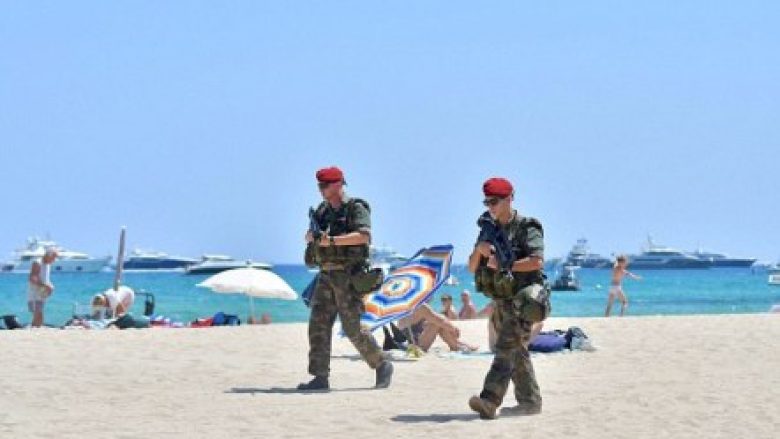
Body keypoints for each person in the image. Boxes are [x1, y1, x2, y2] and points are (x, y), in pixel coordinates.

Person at [298, 166, 393, 391]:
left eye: (325, 185)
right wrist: (311, 238)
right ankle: (320, 376)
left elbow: (363, 236)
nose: (321, 190)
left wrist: (330, 241)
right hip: (326, 275)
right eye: (319, 186)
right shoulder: (322, 211)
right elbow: (316, 239)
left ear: (339, 184)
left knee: (353, 328)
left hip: (349, 276)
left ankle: (381, 364)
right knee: (318, 325)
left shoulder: (355, 208)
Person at [467, 177, 546, 420]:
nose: (491, 206)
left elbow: (536, 261)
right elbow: (471, 268)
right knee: (516, 352)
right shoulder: (488, 229)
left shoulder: (527, 226)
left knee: (505, 348)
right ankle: (530, 402)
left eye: (495, 201)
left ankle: (490, 400)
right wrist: (478, 251)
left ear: (510, 198)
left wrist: (505, 263)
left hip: (525, 299)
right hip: (502, 299)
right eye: (487, 201)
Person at [397, 301, 478, 352]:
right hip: (413, 345)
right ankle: (455, 346)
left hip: (409, 341)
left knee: (437, 323)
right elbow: (439, 320)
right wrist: (454, 329)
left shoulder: (408, 305)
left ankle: (457, 344)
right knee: (436, 323)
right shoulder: (420, 306)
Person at [27, 249, 58, 328]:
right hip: (34, 294)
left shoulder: (47, 265)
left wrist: (50, 287)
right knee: (37, 314)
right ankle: (34, 330)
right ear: (48, 255)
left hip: (41, 294)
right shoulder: (38, 263)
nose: (54, 260)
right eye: (53, 258)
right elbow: (32, 278)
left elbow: (45, 279)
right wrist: (45, 286)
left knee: (39, 315)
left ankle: (37, 330)